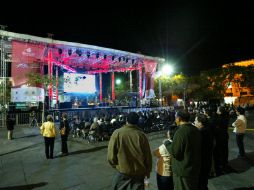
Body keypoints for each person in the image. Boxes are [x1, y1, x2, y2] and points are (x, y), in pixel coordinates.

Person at [107, 112, 152, 190]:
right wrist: (147, 172)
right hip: (139, 174)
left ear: (126, 120)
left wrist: (117, 166)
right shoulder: (141, 135)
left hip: (123, 173)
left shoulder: (117, 133)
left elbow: (111, 156)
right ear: (137, 121)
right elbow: (148, 156)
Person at [164, 110, 201, 190]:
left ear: (179, 119)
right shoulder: (195, 129)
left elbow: (176, 152)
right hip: (194, 168)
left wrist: (167, 143)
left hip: (183, 170)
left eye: (175, 117)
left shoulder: (181, 132)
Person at [194, 114, 214, 190]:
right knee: (204, 182)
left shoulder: (201, 133)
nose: (194, 122)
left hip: (202, 161)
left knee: (201, 183)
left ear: (200, 123)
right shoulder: (208, 130)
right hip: (207, 160)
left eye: (196, 121)